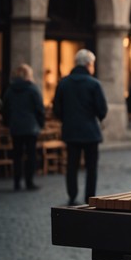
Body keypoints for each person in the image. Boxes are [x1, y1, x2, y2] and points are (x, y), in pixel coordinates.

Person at [53, 49, 108, 205]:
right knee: (91, 168)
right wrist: (97, 117)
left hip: (71, 130)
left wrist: (67, 119)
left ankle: (72, 193)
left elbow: (57, 108)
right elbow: (102, 109)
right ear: (89, 64)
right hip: (90, 131)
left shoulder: (63, 83)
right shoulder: (94, 84)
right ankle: (89, 196)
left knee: (72, 165)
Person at [2, 64, 44, 191]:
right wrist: (40, 123)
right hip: (31, 126)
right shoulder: (32, 89)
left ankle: (16, 182)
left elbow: (5, 108)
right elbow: (39, 108)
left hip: (16, 126)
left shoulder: (10, 90)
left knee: (17, 155)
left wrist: (8, 122)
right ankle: (29, 181)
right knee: (30, 155)